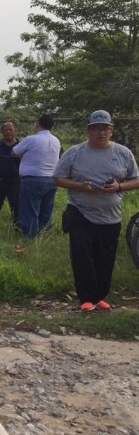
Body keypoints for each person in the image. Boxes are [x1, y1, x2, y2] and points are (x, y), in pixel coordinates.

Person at [53, 110, 139, 312]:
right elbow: (57, 178)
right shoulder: (75, 152)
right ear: (88, 131)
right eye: (96, 129)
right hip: (80, 213)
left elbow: (136, 179)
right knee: (83, 255)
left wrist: (118, 186)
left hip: (110, 216)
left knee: (105, 257)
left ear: (111, 131)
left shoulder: (123, 153)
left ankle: (100, 296)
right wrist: (81, 186)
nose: (101, 132)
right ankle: (86, 299)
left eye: (105, 128)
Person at [12, 114, 61, 237]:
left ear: (38, 124)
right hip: (52, 180)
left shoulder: (31, 139)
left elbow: (14, 152)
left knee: (30, 211)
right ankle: (44, 236)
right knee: (46, 211)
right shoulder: (56, 140)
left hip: (33, 180)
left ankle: (30, 238)